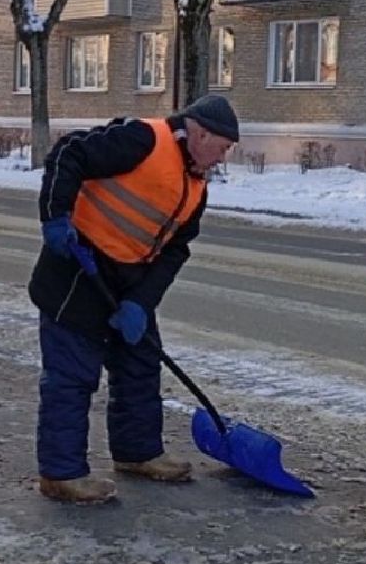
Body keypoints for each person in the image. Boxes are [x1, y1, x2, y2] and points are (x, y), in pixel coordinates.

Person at [29, 94, 240, 504]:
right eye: (223, 147)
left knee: (140, 366)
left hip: (128, 282)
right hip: (77, 268)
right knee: (72, 377)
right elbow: (69, 154)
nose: (223, 157)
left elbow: (175, 251)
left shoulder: (196, 187)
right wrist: (55, 217)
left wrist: (141, 303)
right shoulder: (142, 139)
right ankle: (61, 473)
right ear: (200, 133)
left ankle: (137, 453)